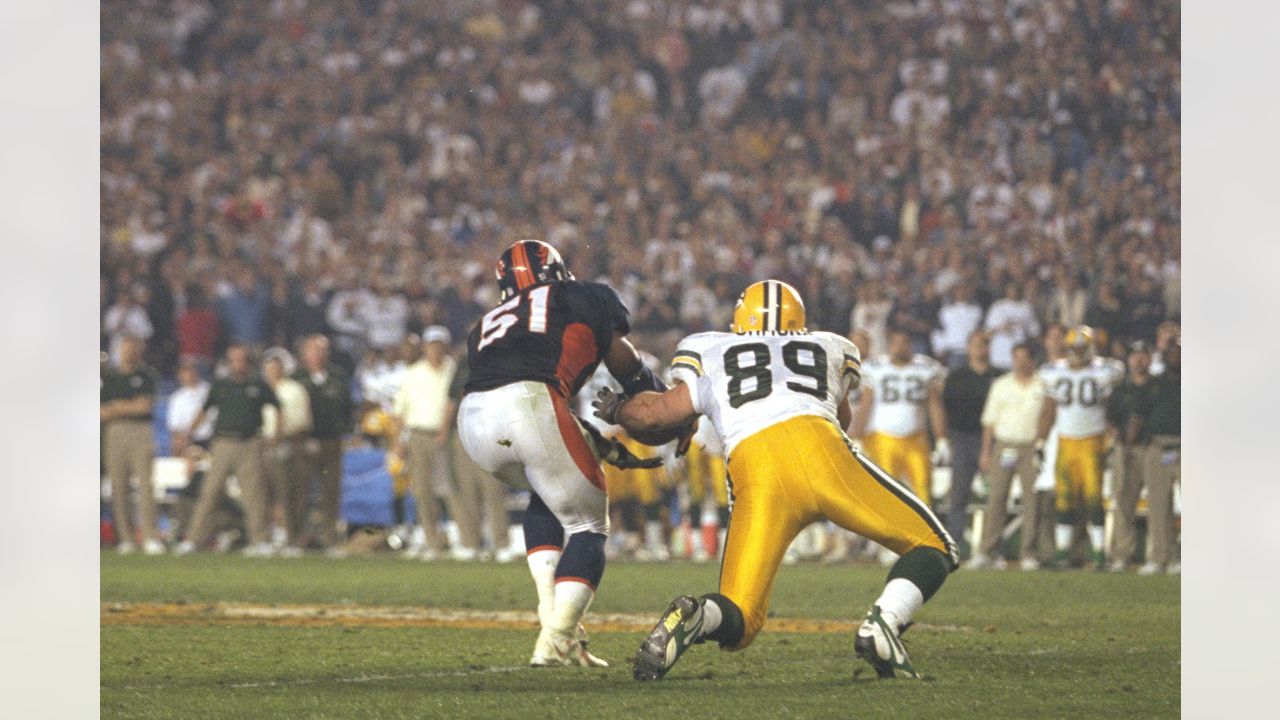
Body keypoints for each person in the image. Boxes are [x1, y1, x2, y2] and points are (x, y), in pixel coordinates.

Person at [594, 279, 957, 682]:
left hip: (756, 472)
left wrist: (619, 410)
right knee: (934, 545)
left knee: (741, 613)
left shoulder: (711, 348)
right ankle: (884, 624)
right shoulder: (830, 345)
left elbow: (657, 415)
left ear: (739, 317)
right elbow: (844, 421)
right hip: (821, 453)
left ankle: (697, 618)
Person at [456, 240, 677, 668]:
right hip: (532, 405)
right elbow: (626, 365)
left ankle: (552, 618)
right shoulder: (586, 295)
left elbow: (517, 389)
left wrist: (602, 446)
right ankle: (556, 638)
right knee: (589, 524)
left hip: (473, 423)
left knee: (547, 491)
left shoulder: (484, 324)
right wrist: (660, 404)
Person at [174, 345, 281, 556]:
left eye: (241, 359)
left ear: (247, 362)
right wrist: (188, 434)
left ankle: (260, 541)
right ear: (229, 362)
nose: (238, 364)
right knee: (210, 492)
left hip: (250, 442)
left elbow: (277, 407)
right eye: (234, 360)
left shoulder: (257, 384)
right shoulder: (221, 385)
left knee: (254, 494)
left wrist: (276, 435)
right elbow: (205, 410)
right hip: (223, 442)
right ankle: (193, 539)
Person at [1035, 325, 1125, 569]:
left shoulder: (1105, 370)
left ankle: (1099, 553)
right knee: (1064, 499)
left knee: (1094, 499)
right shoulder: (1054, 372)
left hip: (1093, 441)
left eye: (1082, 348)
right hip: (1066, 441)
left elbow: (1111, 405)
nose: (1077, 353)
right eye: (1073, 348)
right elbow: (1048, 409)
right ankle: (1063, 552)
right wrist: (1041, 441)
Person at [392, 326, 480, 560]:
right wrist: (399, 443)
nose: (435, 349)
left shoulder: (454, 369)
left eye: (439, 345)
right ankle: (433, 544)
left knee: (452, 490)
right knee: (422, 491)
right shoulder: (413, 373)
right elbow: (400, 411)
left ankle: (469, 542)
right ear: (424, 347)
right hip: (418, 435)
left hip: (448, 435)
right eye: (431, 345)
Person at [967, 343, 1047, 570]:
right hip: (1005, 445)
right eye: (1016, 357)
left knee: (1032, 501)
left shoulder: (1043, 385)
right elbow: (989, 422)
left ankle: (1029, 553)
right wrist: (986, 451)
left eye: (1024, 357)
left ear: (1033, 360)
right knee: (996, 498)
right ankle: (987, 551)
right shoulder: (1001, 385)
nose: (1020, 362)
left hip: (1032, 446)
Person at [851, 328, 949, 508]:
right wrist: (856, 435)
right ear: (889, 345)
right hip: (882, 438)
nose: (899, 347)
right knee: (886, 493)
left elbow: (934, 405)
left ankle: (923, 535)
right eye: (896, 343)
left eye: (904, 343)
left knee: (923, 489)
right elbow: (866, 404)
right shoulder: (875, 367)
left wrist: (941, 437)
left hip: (916, 438)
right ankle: (884, 535)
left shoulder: (926, 367)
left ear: (911, 345)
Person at [101, 336, 163, 555]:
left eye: (133, 349)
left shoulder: (146, 376)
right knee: (118, 486)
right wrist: (128, 406)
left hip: (140, 431)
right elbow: (100, 411)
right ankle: (125, 538)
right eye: (125, 349)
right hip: (115, 432)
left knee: (146, 484)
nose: (129, 353)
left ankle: (149, 536)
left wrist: (117, 406)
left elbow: (145, 407)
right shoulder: (109, 378)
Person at [940, 331, 999, 557]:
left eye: (983, 345)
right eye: (975, 345)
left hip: (993, 441)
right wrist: (946, 439)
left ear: (989, 348)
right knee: (959, 495)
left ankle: (992, 548)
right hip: (962, 438)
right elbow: (944, 410)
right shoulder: (956, 377)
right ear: (968, 348)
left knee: (995, 496)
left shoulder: (998, 376)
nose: (979, 349)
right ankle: (954, 545)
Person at [295, 335, 353, 551]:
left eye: (322, 350)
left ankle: (331, 540)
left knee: (331, 492)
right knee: (300, 491)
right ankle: (297, 538)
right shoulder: (297, 378)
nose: (319, 355)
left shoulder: (337, 376)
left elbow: (348, 408)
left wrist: (346, 431)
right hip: (304, 442)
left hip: (331, 442)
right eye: (314, 350)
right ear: (305, 354)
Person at [1130, 338, 1180, 575]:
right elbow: (1139, 415)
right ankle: (1160, 557)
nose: (1175, 356)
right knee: (1158, 506)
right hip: (1158, 447)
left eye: (1179, 352)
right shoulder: (1154, 383)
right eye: (1171, 351)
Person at [261, 349, 313, 556]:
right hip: (261, 445)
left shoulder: (295, 390)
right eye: (269, 367)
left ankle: (291, 538)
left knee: (288, 494)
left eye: (276, 367)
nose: (272, 371)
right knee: (263, 494)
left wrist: (281, 438)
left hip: (287, 445)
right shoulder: (260, 389)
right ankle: (268, 536)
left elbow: (302, 422)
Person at [984, 281, 1041, 372]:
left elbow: (1034, 332)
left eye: (1015, 289)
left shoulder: (1026, 308)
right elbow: (987, 333)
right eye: (1010, 289)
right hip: (999, 358)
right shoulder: (997, 307)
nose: (1013, 291)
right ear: (1006, 290)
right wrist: (1000, 328)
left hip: (1020, 359)